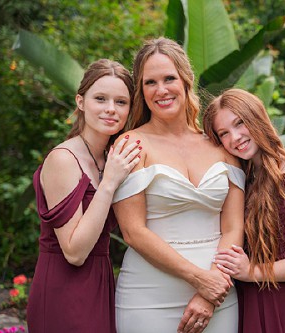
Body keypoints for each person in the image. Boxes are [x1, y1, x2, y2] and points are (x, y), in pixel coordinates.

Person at [112, 37, 245, 333]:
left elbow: (234, 227)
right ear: (140, 90)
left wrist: (212, 290)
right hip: (148, 298)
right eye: (150, 82)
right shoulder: (132, 144)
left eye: (169, 78)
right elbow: (133, 232)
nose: (161, 90)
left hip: (219, 293)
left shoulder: (220, 144)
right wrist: (199, 279)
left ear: (186, 80)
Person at [203, 88, 285, 333]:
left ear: (257, 117)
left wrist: (251, 271)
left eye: (239, 123)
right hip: (245, 304)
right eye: (224, 133)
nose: (235, 137)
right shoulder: (241, 182)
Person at [26, 59, 141, 332]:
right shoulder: (63, 160)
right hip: (64, 288)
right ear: (81, 102)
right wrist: (109, 182)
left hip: (101, 282)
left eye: (121, 102)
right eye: (100, 98)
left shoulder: (111, 157)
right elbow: (75, 252)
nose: (111, 109)